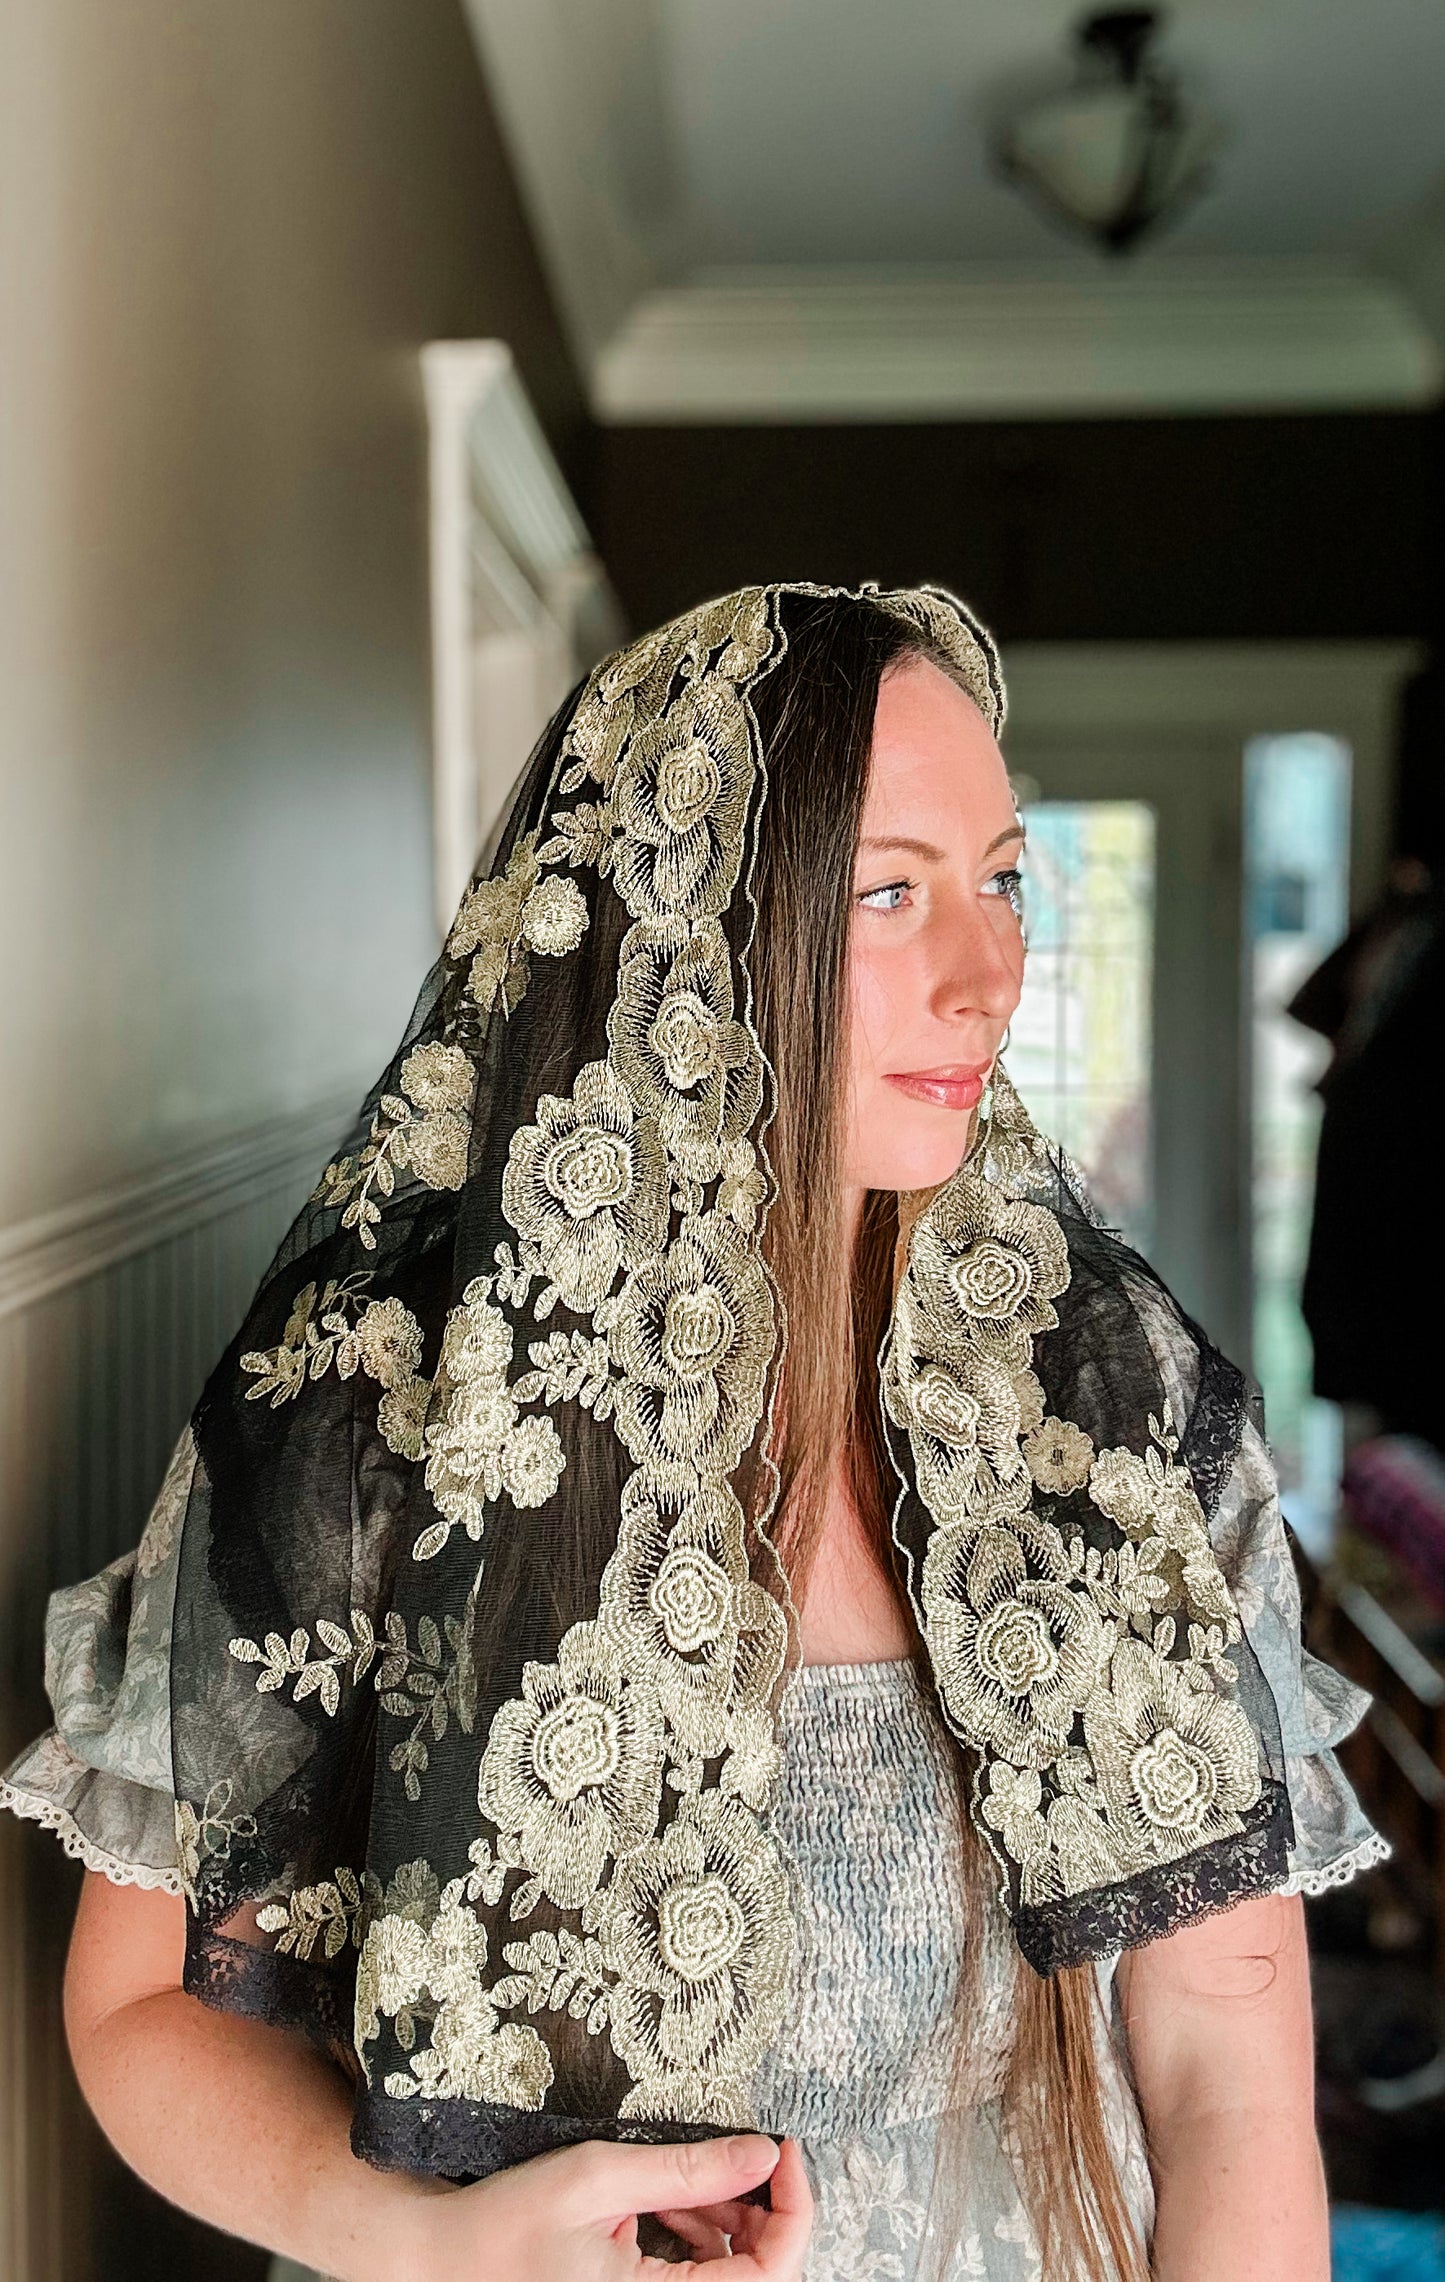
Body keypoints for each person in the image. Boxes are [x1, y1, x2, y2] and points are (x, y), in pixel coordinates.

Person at [1, 584, 1388, 2281]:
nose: (985, 975)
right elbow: (141, 2004)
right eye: (889, 892)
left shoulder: (1115, 1418)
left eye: (1003, 880)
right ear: (682, 930)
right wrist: (430, 2246)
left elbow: (1227, 2079)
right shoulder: (376, 1413)